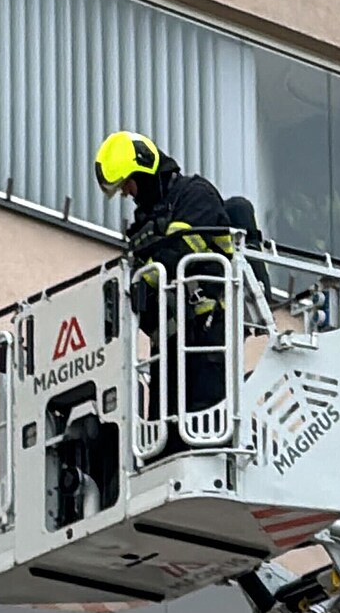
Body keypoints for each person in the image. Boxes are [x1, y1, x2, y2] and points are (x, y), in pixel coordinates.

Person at [93, 130, 269, 457]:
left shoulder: (194, 194)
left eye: (128, 183)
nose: (128, 193)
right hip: (170, 343)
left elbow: (183, 252)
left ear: (145, 170)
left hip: (207, 333)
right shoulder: (144, 222)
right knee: (164, 437)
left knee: (206, 424)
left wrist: (142, 280)